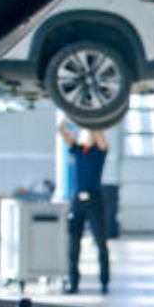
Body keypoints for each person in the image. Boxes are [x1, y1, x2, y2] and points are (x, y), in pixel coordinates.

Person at [58, 118, 110, 294]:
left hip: (95, 200)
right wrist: (69, 117)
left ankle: (104, 282)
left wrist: (92, 119)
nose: (85, 133)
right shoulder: (78, 151)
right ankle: (73, 283)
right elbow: (62, 132)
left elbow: (101, 137)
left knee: (101, 242)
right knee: (73, 243)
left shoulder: (99, 152)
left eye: (88, 132)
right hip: (77, 201)